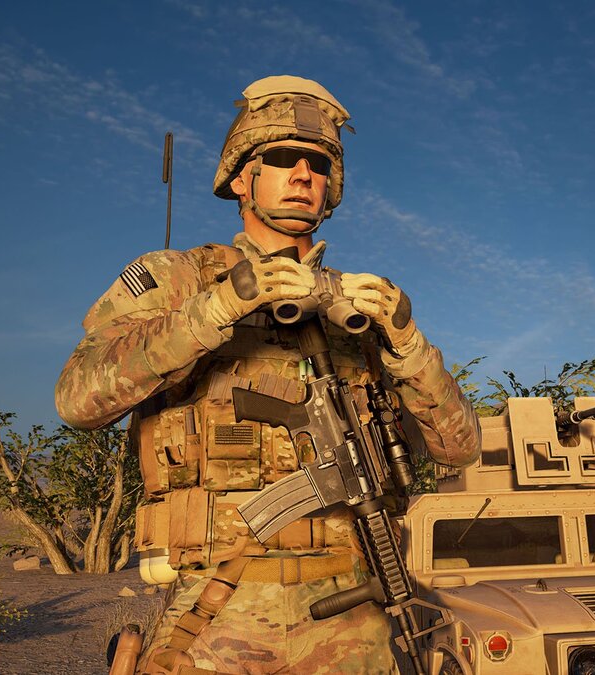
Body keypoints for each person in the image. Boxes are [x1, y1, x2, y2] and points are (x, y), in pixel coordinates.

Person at [55, 75, 480, 675]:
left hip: (353, 610)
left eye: (318, 164)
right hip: (215, 610)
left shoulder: (361, 309)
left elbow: (459, 450)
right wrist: (216, 310)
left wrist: (408, 343)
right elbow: (78, 399)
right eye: (282, 159)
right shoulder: (178, 279)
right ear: (240, 178)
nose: (303, 175)